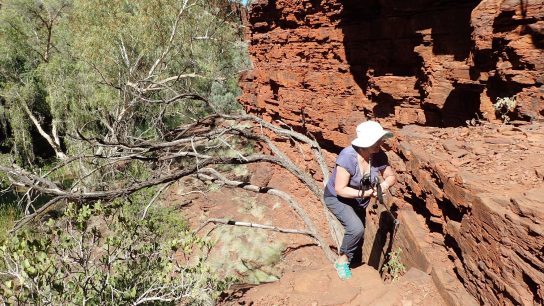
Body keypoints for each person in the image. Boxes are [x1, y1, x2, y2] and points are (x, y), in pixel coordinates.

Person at [324, 120, 396, 280]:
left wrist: (382, 186)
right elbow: (340, 189)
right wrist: (368, 193)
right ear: (365, 143)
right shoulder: (347, 157)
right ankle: (341, 263)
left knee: (359, 239)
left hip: (358, 202)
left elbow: (391, 177)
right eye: (377, 140)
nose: (381, 143)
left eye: (381, 140)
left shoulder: (379, 155)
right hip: (337, 198)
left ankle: (354, 268)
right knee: (356, 229)